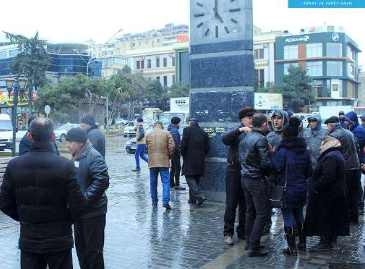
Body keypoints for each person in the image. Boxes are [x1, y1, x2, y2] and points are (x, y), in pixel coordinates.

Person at [0, 117, 86, 269]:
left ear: (29, 136)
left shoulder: (14, 165)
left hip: (29, 238)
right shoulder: (65, 165)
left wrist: (24, 217)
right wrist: (65, 220)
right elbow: (79, 204)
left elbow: (5, 203)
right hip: (59, 239)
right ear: (52, 137)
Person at [66, 127, 109, 269]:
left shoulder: (94, 156)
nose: (68, 145)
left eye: (71, 142)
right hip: (80, 212)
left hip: (93, 212)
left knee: (94, 252)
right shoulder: (76, 155)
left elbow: (102, 181)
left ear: (80, 142)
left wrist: (84, 200)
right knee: (81, 250)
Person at [270, 117, 312, 255]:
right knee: (300, 215)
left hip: (287, 189)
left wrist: (272, 154)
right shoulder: (305, 151)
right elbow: (309, 172)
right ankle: (303, 244)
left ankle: (291, 248)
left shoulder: (283, 151)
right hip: (301, 189)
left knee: (288, 217)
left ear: (285, 136)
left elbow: (276, 167)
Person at [305, 137, 349, 251]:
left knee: (325, 218)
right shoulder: (335, 154)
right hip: (335, 193)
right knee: (332, 218)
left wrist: (316, 187)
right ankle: (331, 241)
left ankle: (325, 242)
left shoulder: (330, 156)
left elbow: (328, 177)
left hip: (328, 195)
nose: (320, 147)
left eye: (322, 144)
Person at [221, 107, 256, 245]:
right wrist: (239, 130)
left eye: (253, 118)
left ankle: (242, 231)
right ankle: (228, 233)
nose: (251, 120)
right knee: (231, 203)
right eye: (249, 118)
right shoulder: (236, 130)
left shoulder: (256, 132)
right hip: (234, 171)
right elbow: (225, 139)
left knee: (245, 204)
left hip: (249, 172)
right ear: (242, 120)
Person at [239, 113, 271, 257]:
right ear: (264, 124)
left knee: (250, 211)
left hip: (245, 178)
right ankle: (254, 246)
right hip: (256, 179)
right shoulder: (261, 139)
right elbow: (265, 163)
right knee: (261, 213)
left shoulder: (246, 138)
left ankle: (249, 242)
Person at [325, 116, 360, 224]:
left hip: (345, 168)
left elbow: (327, 152)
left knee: (343, 193)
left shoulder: (333, 136)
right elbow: (357, 147)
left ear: (331, 125)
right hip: (356, 166)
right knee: (354, 193)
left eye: (327, 126)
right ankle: (354, 217)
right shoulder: (349, 133)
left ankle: (343, 219)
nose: (326, 128)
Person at [264, 110, 289, 234]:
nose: (276, 120)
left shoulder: (288, 136)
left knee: (285, 202)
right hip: (270, 173)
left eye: (279, 118)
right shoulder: (269, 135)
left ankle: (289, 230)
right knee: (267, 200)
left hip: (284, 174)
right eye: (274, 118)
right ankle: (266, 225)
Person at [146, 121, 175, 210]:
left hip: (152, 161)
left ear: (154, 126)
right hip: (163, 160)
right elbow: (172, 147)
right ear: (162, 126)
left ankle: (154, 201)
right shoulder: (167, 133)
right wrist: (168, 156)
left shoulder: (149, 134)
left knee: (153, 182)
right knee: (166, 182)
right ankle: (165, 202)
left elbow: (146, 146)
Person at [181, 119, 210, 207]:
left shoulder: (187, 130)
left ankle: (199, 196)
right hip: (200, 158)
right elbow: (207, 147)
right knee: (196, 178)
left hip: (189, 157)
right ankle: (193, 199)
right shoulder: (203, 133)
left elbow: (183, 144)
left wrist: (183, 154)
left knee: (189, 177)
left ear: (190, 124)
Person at [344, 111, 365, 215]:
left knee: (357, 184)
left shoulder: (359, 131)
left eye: (346, 121)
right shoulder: (353, 129)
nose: (345, 122)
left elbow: (355, 145)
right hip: (356, 160)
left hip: (358, 160)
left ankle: (360, 205)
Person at [168, 117, 185, 190]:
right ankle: (177, 184)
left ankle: (171, 183)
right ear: (177, 123)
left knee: (173, 167)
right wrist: (179, 150)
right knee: (177, 167)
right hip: (175, 152)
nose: (180, 124)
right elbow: (175, 142)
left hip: (173, 151)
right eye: (180, 122)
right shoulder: (174, 130)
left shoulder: (171, 129)